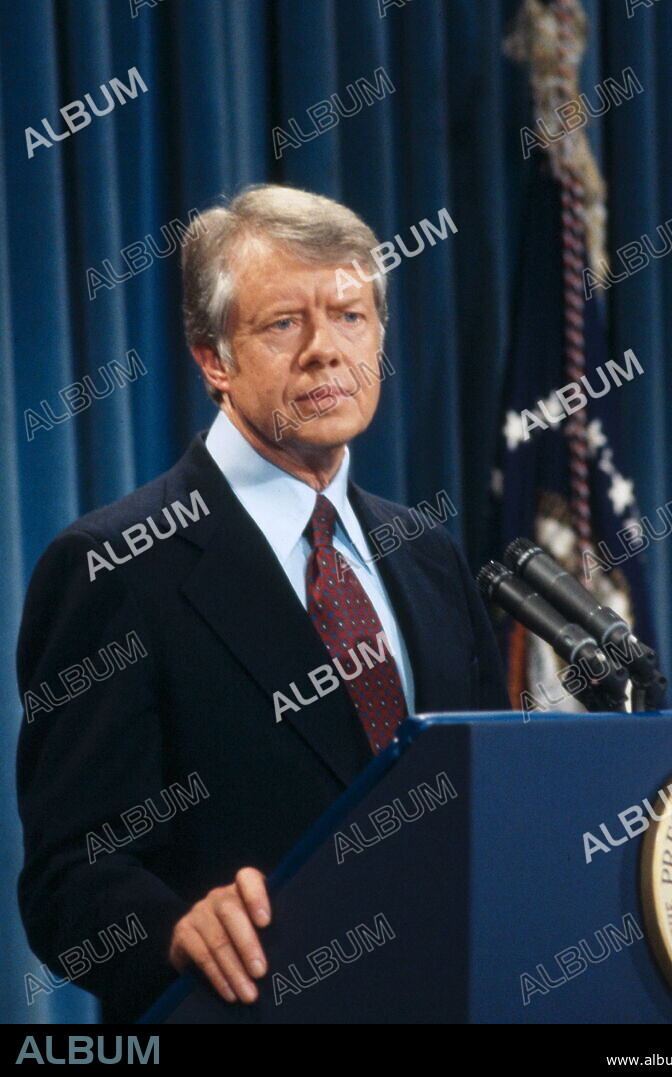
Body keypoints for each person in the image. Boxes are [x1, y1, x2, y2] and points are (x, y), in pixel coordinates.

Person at [16, 184, 510, 1023]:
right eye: (285, 324)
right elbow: (70, 875)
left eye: (350, 316)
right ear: (214, 357)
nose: (326, 350)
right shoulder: (114, 566)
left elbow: (492, 800)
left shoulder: (428, 555)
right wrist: (174, 929)